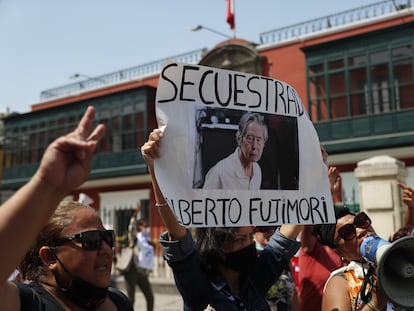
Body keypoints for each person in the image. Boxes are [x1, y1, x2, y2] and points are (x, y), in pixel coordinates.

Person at [141, 128, 303, 311]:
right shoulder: (199, 289)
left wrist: (312, 175)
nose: (249, 245)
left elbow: (287, 234)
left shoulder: (256, 278)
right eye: (240, 240)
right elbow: (178, 237)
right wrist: (157, 170)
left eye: (250, 237)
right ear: (218, 245)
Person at [0, 106, 133, 310]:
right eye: (91, 241)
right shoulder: (27, 303)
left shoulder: (118, 301)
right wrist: (46, 183)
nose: (106, 249)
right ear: (50, 257)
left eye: (107, 238)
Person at [313, 206, 388, 311]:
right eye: (348, 232)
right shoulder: (340, 284)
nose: (361, 230)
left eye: (361, 221)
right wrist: (375, 303)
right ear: (338, 251)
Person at [298, 166, 342, 311]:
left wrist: (335, 196)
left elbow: (342, 221)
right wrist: (325, 191)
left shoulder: (342, 252)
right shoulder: (311, 250)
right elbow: (309, 222)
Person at [203, 112, 268, 190]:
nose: (254, 146)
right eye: (249, 138)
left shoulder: (257, 170)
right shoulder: (219, 172)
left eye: (259, 140)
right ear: (239, 139)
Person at [254, 226, 300, 311]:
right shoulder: (251, 261)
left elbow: (294, 293)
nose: (271, 231)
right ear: (253, 233)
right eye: (265, 229)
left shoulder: (285, 261)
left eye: (275, 227)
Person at [122, 208, 154, 310]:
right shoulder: (135, 237)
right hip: (131, 270)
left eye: (147, 226)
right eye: (144, 225)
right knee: (131, 299)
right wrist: (135, 215)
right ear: (139, 227)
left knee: (150, 297)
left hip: (142, 272)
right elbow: (131, 227)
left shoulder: (147, 239)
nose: (146, 228)